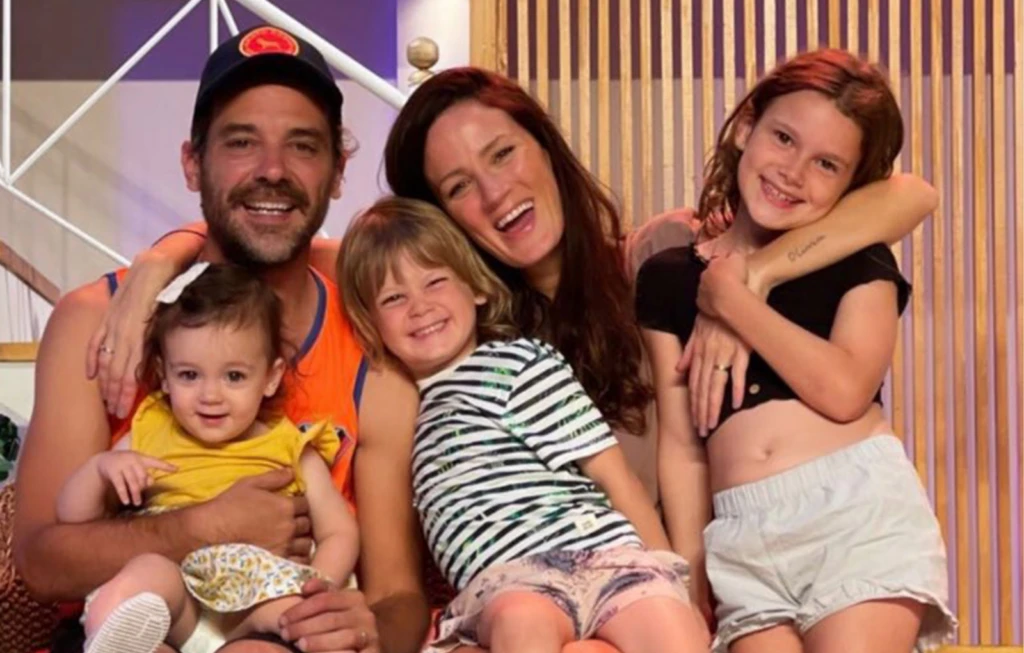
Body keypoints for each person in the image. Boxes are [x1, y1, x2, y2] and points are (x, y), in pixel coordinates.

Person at [84, 64, 939, 644]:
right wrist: (163, 259)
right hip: (526, 600)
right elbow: (279, 231)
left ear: (544, 145)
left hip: (678, 584)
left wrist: (741, 284)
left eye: (503, 154)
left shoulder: (663, 260)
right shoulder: (444, 322)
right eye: (459, 186)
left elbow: (905, 194)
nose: (495, 192)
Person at [13, 25, 429, 653]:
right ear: (193, 162)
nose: (273, 170)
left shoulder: (374, 343)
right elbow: (41, 563)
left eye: (303, 146)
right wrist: (202, 527)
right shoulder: (95, 321)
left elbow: (397, 595)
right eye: (241, 142)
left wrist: (363, 628)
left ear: (338, 172)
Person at [635, 49, 956, 653]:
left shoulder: (856, 254)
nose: (793, 172)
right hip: (741, 535)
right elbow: (682, 446)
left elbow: (845, 391)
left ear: (851, 183)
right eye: (783, 138)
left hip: (854, 513)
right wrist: (692, 568)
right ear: (745, 128)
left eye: (826, 164)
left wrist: (735, 301)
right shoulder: (667, 277)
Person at [337, 196, 709, 653]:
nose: (420, 307)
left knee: (669, 624)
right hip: (509, 582)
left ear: (475, 287)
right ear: (369, 323)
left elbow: (614, 477)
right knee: (520, 624)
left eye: (435, 281)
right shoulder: (396, 411)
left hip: (604, 556)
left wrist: (674, 582)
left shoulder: (518, 363)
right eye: (393, 298)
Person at [59, 263, 360, 652]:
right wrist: (99, 471)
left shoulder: (288, 447)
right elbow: (72, 517)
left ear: (270, 377)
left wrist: (318, 587)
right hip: (178, 606)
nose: (210, 396)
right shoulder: (149, 434)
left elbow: (339, 531)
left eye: (234, 376)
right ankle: (112, 634)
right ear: (163, 374)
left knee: (283, 616)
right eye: (189, 375)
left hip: (254, 610)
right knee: (149, 572)